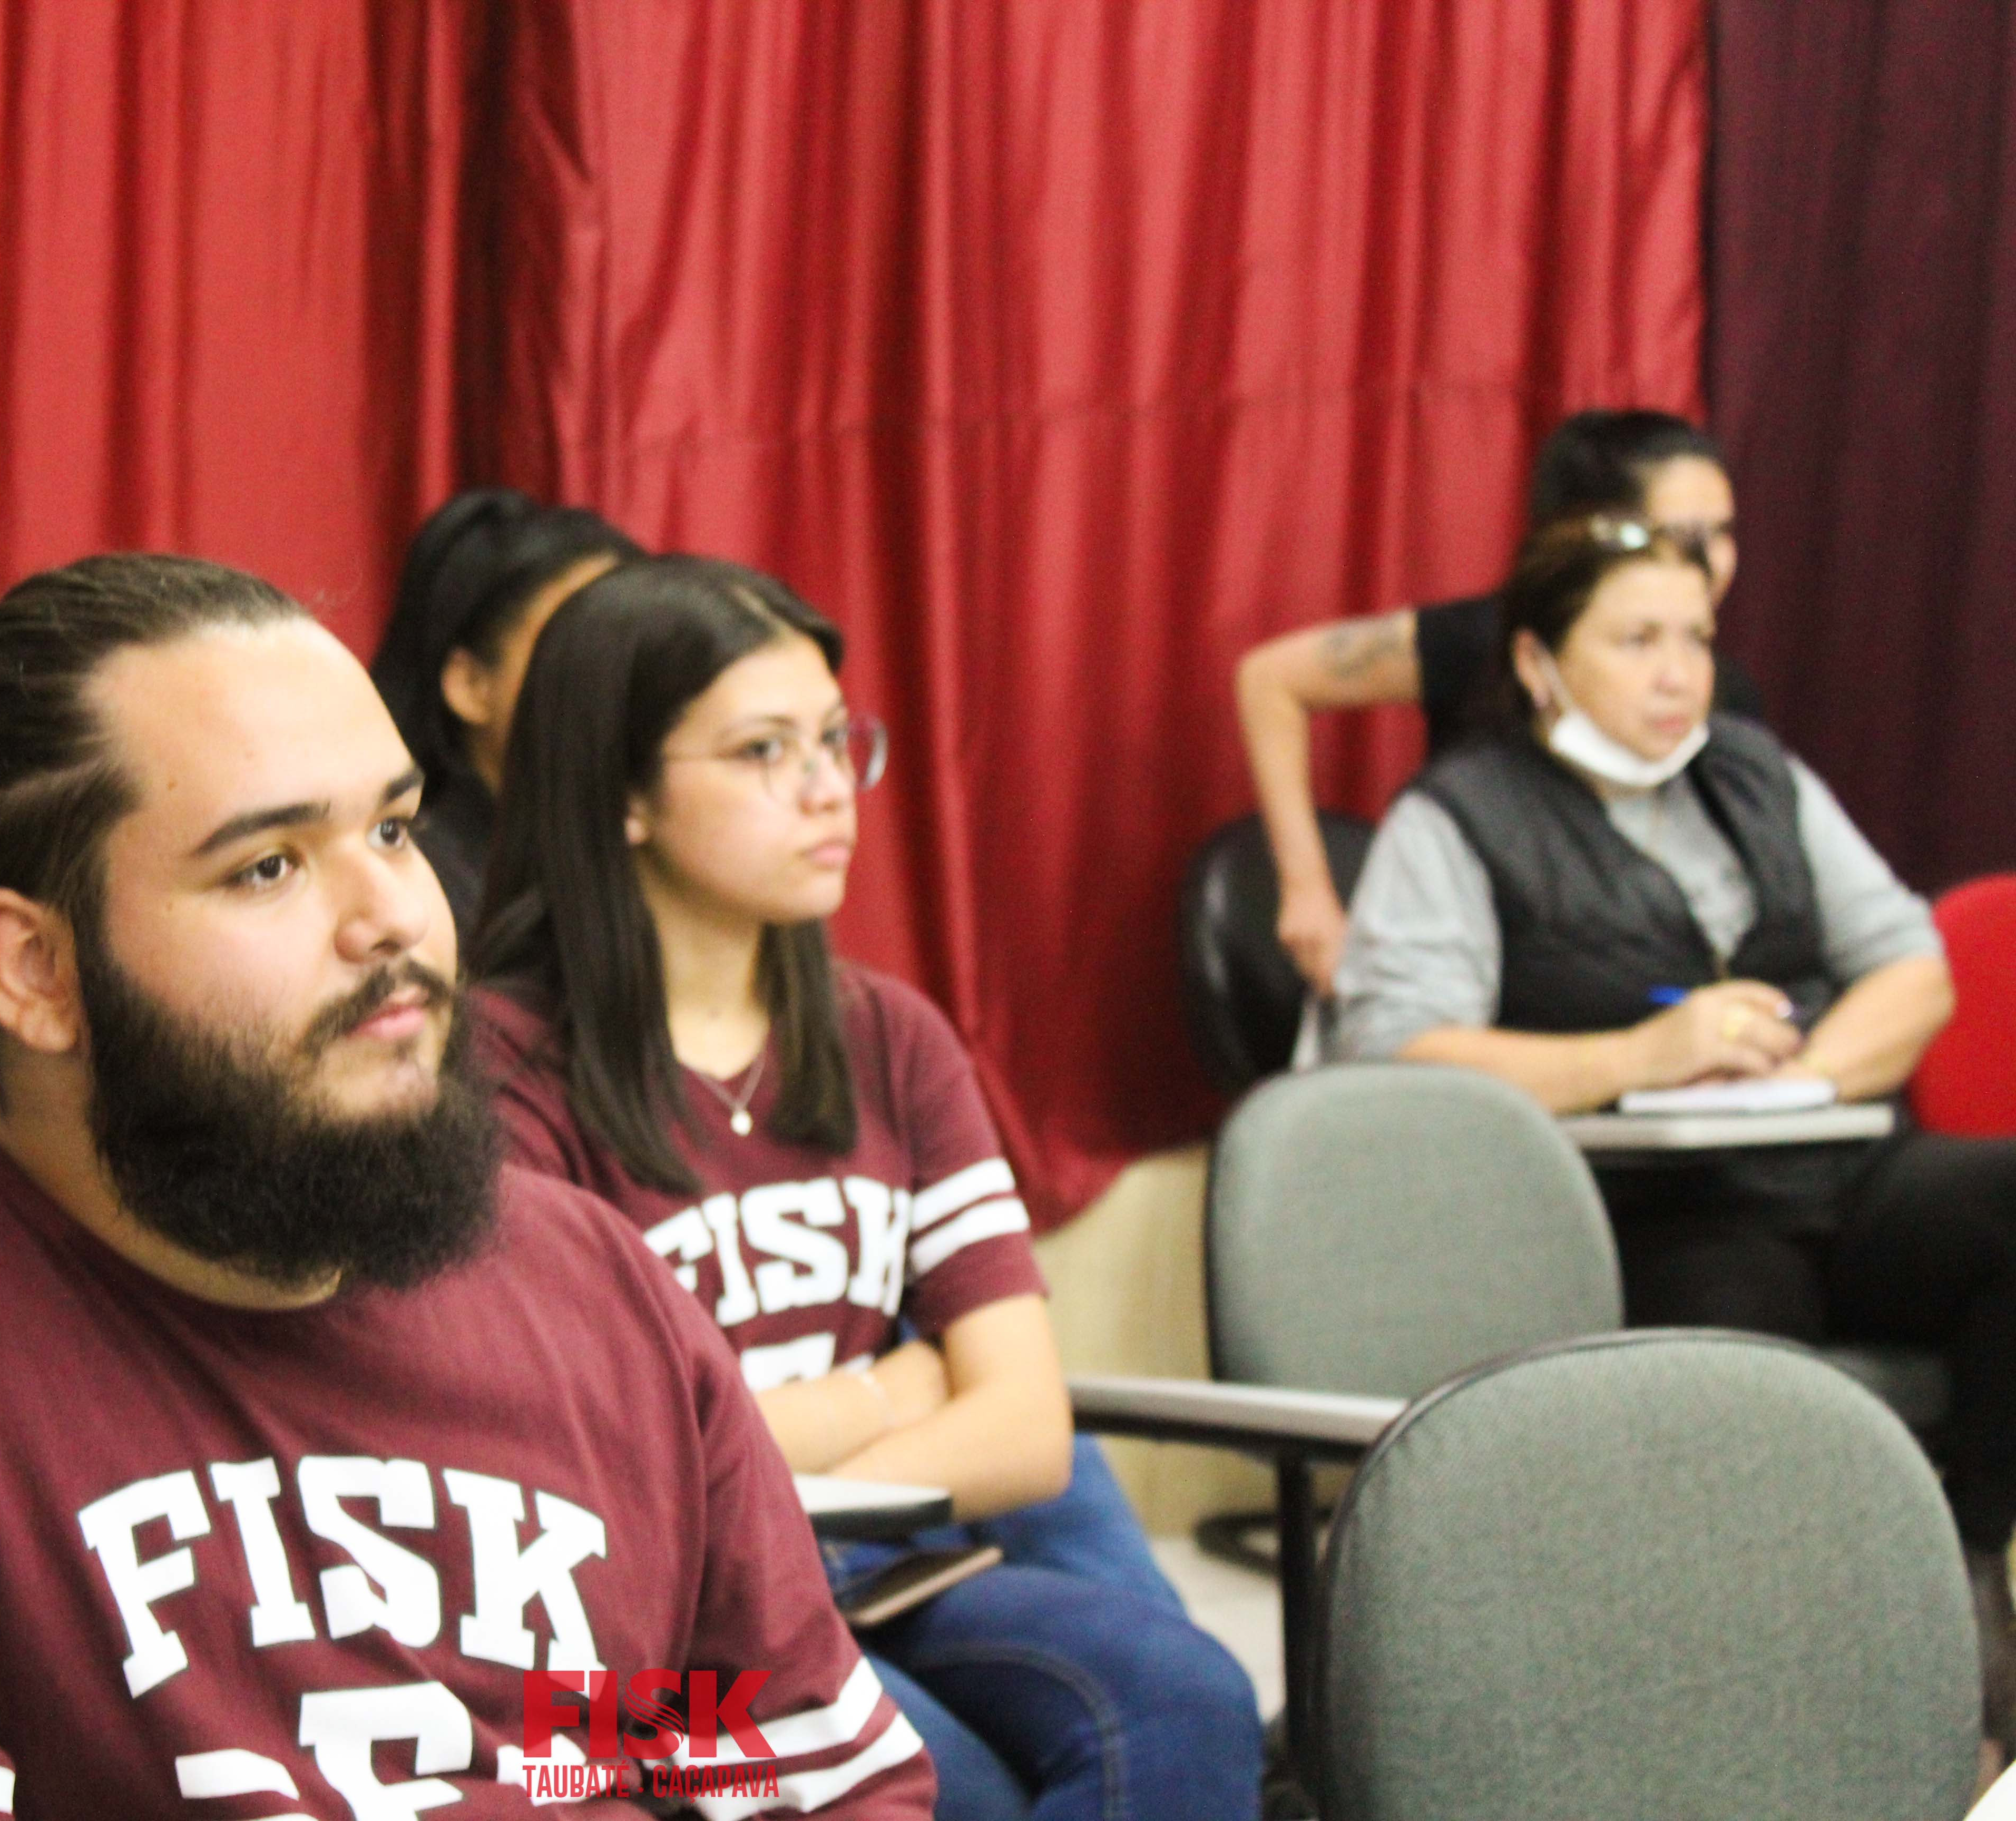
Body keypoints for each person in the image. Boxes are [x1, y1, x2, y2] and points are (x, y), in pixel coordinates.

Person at [0, 552, 935, 1819]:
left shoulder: (591, 1283)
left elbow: (791, 1773)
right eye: (269, 865)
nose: (394, 917)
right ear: (34, 970)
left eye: (397, 828)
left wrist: (581, 1747)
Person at [469, 555, 1264, 1821]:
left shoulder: (888, 1032)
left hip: (879, 1565)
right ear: (621, 792)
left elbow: (1022, 1429)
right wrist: (882, 1384)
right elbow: (591, 1488)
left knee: (1187, 1694)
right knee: (945, 1790)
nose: (829, 785)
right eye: (763, 750)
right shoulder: (496, 1066)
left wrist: (770, 1444)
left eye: (837, 739)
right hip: (605, 1668)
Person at [1331, 514, 2016, 1758]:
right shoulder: (1459, 814)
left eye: (1694, 638)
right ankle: (1783, 1698)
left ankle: (1962, 1572)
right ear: (1538, 662)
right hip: (1651, 1212)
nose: (1677, 674)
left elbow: (1912, 966)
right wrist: (1630, 1060)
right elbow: (1396, 1057)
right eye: (1635, 639)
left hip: (1832, 1166)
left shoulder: (1758, 772)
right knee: (1745, 1361)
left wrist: (1800, 1068)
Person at [1235, 409, 1759, 994]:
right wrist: (1307, 893)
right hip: (1474, 975)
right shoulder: (1478, 643)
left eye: (1725, 533)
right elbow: (1270, 679)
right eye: (1687, 538)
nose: (1716, 564)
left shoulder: (1723, 698)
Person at [368, 487, 638, 935]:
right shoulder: (419, 888)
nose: (625, 682)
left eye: (639, 651)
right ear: (472, 687)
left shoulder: (658, 850)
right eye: (585, 649)